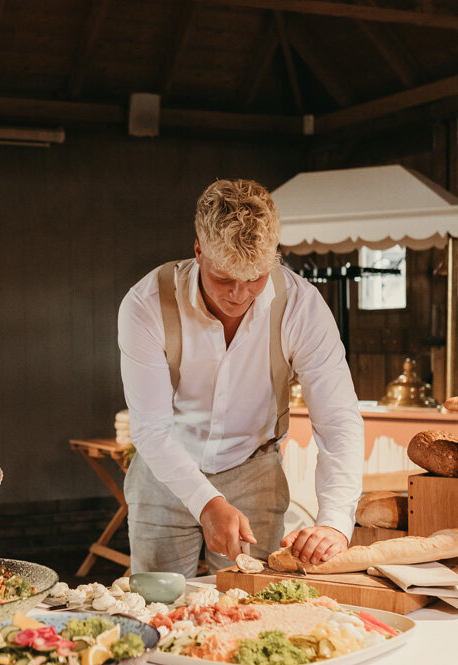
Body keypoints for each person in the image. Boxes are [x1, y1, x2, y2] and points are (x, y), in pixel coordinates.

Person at [117, 178, 363, 577]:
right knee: (156, 604)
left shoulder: (302, 307)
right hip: (163, 468)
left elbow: (338, 419)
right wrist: (206, 501)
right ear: (198, 250)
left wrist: (335, 521)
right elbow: (151, 429)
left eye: (255, 279)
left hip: (255, 469)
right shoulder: (146, 304)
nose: (239, 295)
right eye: (224, 278)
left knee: (251, 605)